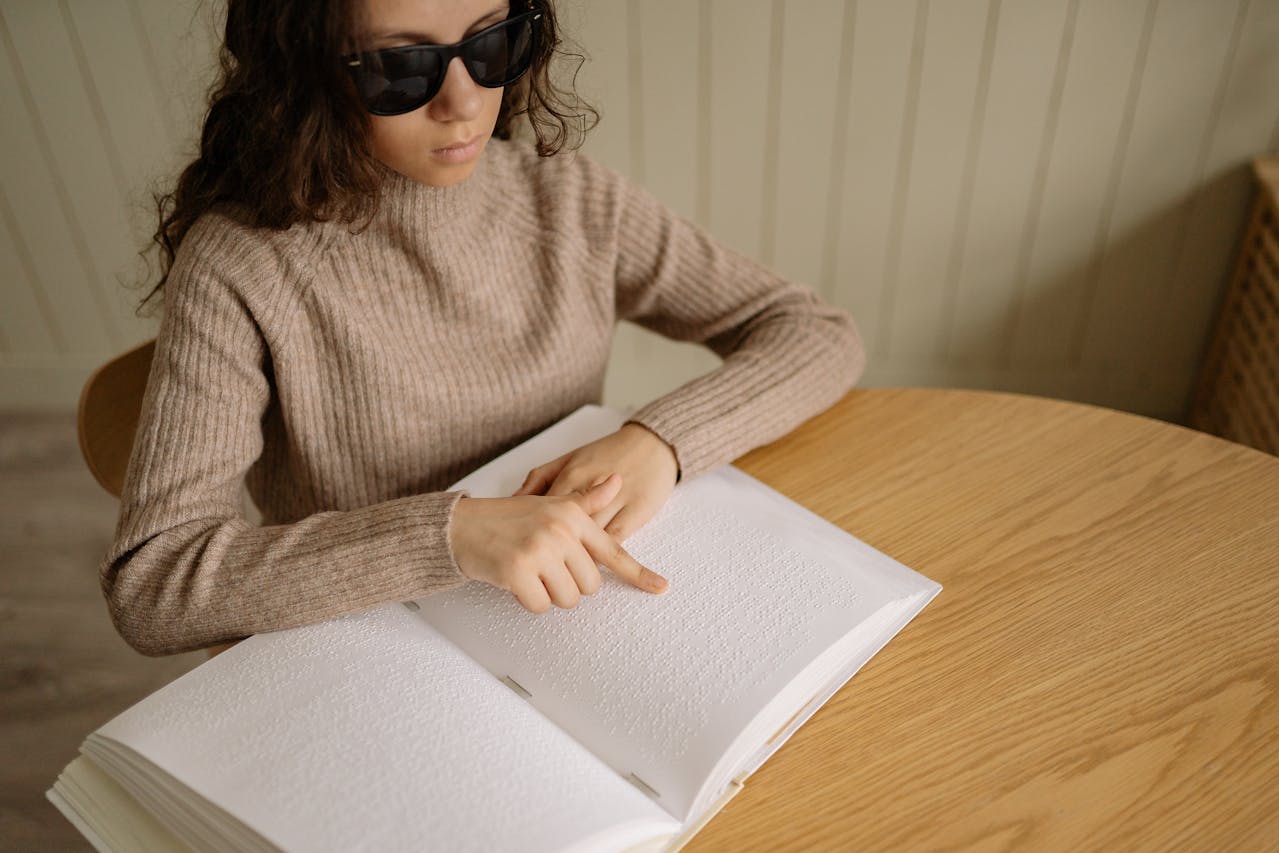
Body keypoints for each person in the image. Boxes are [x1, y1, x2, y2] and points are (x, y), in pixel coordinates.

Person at [102, 0, 866, 656]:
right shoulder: (241, 263)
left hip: (569, 619)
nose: (463, 102)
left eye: (490, 43)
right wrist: (449, 535)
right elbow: (155, 582)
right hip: (369, 647)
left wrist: (660, 442)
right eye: (400, 69)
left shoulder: (566, 201)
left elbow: (813, 332)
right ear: (300, 71)